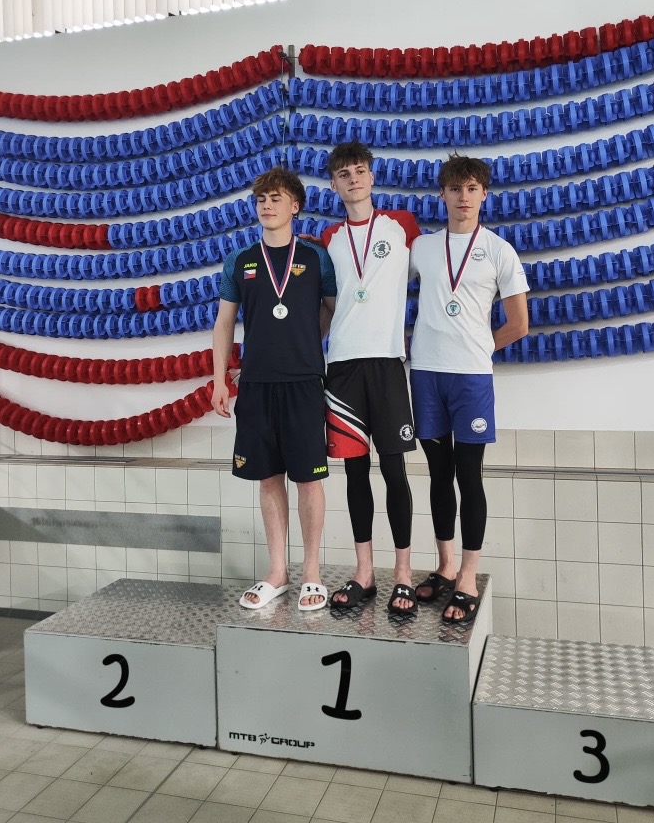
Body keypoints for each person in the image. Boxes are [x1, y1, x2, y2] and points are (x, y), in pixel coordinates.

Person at [409, 154, 529, 623]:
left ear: (484, 195)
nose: (464, 197)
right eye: (456, 188)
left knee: (469, 475)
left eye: (472, 188)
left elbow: (518, 324)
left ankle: (468, 574)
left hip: (472, 378)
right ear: (442, 194)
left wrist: (480, 346)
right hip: (426, 374)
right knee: (438, 475)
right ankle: (445, 566)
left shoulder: (500, 251)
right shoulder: (421, 248)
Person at [212, 167, 336, 611]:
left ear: (295, 206)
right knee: (268, 477)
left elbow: (332, 309)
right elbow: (224, 323)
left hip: (303, 382)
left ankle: (312, 573)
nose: (267, 205)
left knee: (309, 479)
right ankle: (278, 572)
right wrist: (219, 379)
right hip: (257, 384)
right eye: (261, 199)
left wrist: (305, 340)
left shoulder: (317, 258)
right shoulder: (240, 260)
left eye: (276, 198)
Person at [321, 141, 421, 616]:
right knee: (355, 473)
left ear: (372, 176)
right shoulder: (328, 238)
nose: (353, 179)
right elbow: (326, 305)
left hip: (386, 363)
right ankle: (364, 573)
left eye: (359, 170)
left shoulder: (402, 226)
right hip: (342, 366)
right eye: (344, 174)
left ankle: (402, 574)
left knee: (395, 472)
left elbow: (435, 276)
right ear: (334, 184)